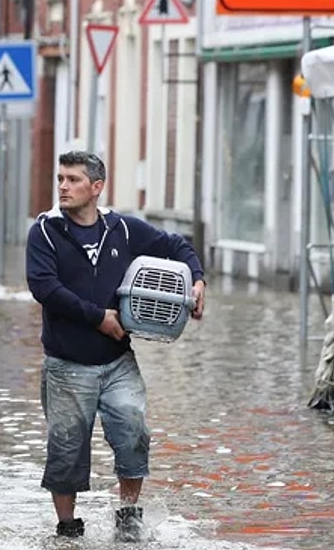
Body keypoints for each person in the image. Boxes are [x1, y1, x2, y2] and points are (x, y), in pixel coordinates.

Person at [25, 151, 206, 542]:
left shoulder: (122, 229)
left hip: (118, 359)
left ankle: (127, 514)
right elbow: (44, 288)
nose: (62, 186)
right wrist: (98, 317)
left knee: (132, 430)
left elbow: (177, 246)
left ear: (96, 187)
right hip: (66, 363)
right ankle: (68, 527)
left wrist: (198, 280)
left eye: (73, 179)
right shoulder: (44, 231)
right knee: (67, 445)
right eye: (60, 178)